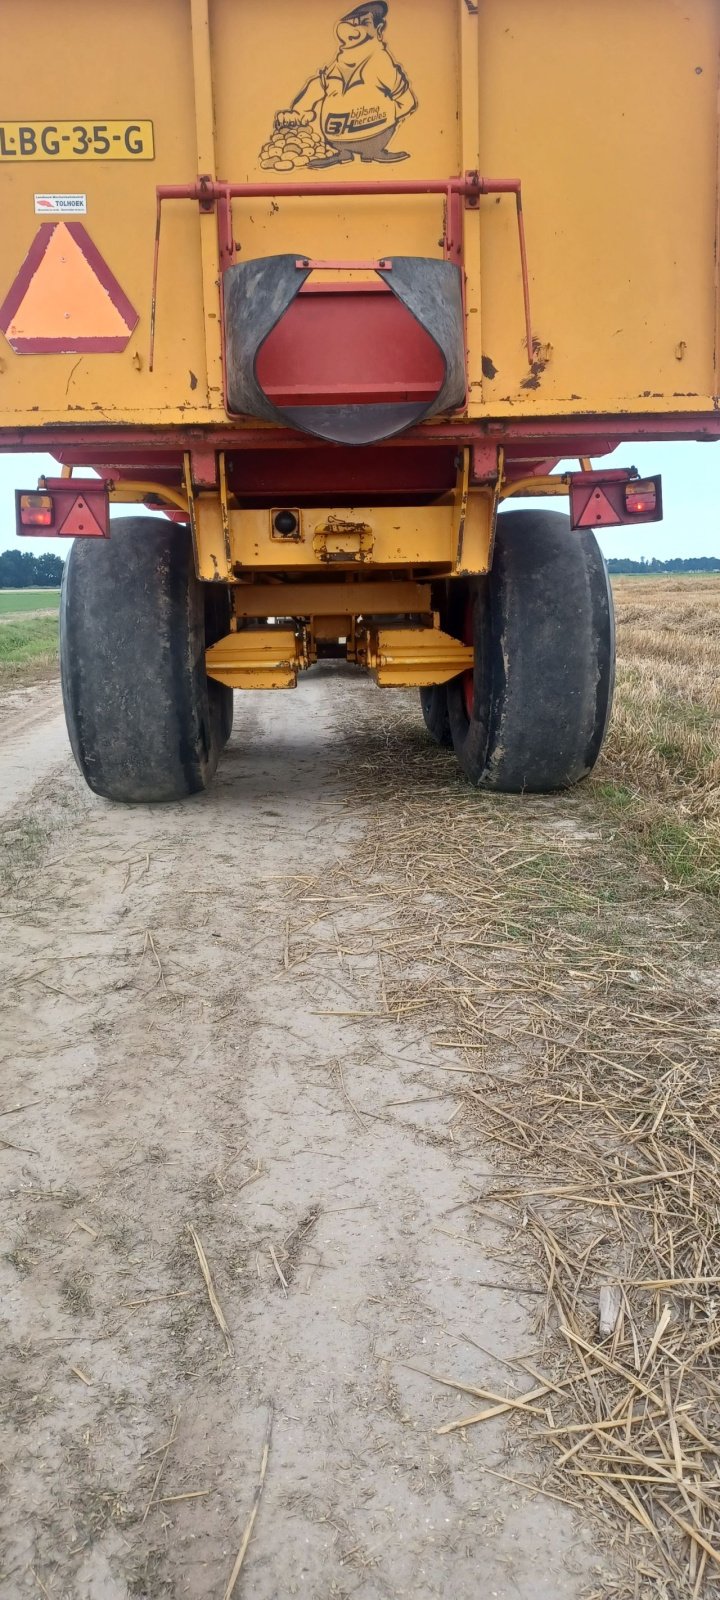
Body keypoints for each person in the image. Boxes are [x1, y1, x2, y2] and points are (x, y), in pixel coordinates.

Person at [274, 2, 417, 168]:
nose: (354, 31)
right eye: (351, 24)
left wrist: (385, 114)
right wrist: (299, 111)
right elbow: (318, 86)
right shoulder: (338, 64)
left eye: (364, 23)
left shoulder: (380, 61)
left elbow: (407, 100)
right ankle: (343, 153)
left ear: (378, 31)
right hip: (336, 138)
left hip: (376, 133)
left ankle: (373, 151)